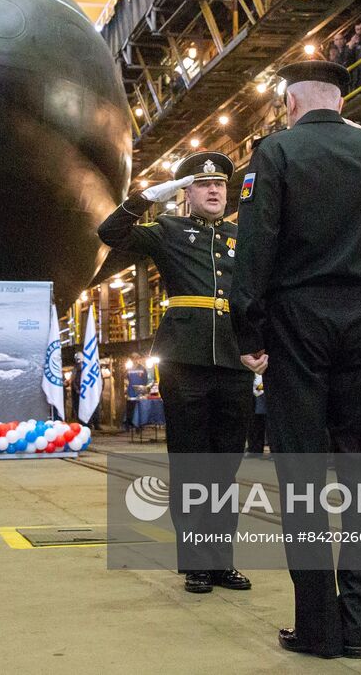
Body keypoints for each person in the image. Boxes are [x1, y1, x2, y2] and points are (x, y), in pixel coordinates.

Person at [230, 59, 361, 660]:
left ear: (291, 104)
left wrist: (249, 327)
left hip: (298, 315)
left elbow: (256, 241)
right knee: (358, 473)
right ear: (341, 101)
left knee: (300, 472)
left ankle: (317, 626)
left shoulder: (276, 152)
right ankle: (357, 625)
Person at [97, 151, 253, 594]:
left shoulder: (242, 235)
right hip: (184, 359)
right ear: (187, 192)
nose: (215, 190)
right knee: (190, 465)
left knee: (225, 469)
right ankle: (196, 564)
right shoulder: (167, 231)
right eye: (204, 184)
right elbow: (108, 232)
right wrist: (152, 194)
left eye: (220, 184)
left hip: (235, 359)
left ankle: (222, 561)